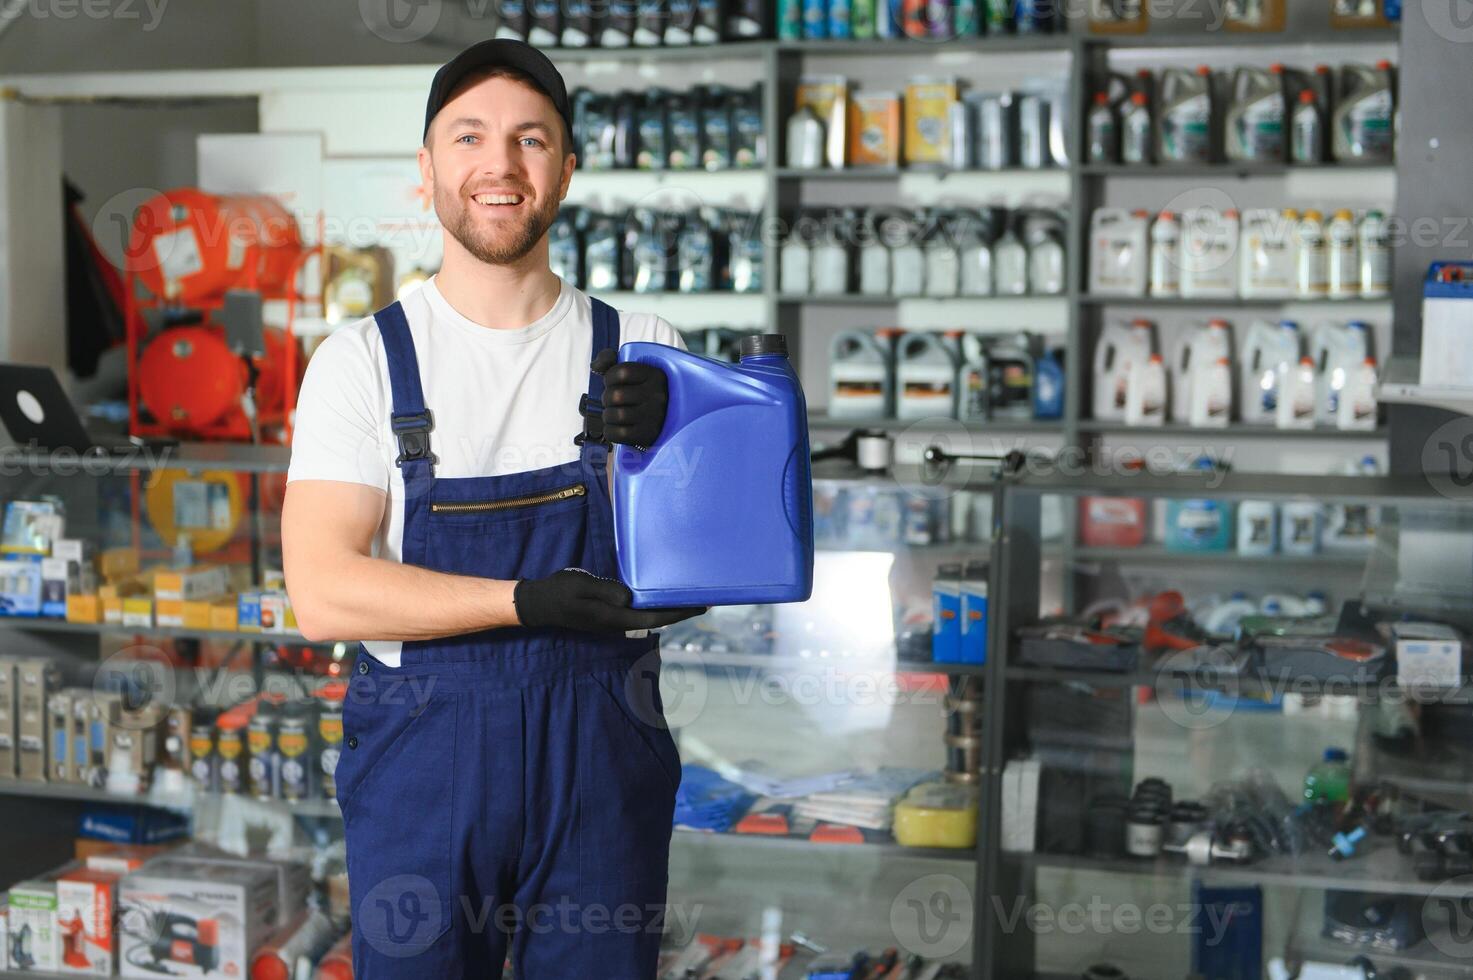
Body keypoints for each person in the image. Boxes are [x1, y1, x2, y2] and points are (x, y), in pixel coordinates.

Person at [282, 38, 702, 979]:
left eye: (531, 139)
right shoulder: (360, 362)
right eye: (468, 137)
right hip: (424, 771)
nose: (500, 166)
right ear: (428, 167)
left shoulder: (646, 348)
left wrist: (691, 435)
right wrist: (526, 601)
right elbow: (325, 593)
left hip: (602, 761)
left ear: (567, 166)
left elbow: (717, 562)